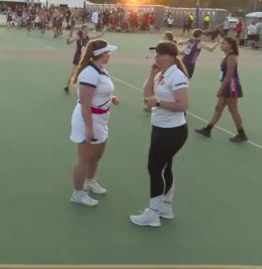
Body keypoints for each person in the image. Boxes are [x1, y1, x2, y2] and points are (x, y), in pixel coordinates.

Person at [130, 42, 190, 227]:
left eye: (160, 54)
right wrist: (151, 74)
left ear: (171, 57)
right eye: (156, 54)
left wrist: (158, 103)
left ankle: (153, 214)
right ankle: (165, 207)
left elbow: (183, 105)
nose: (156, 57)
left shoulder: (177, 76)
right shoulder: (161, 75)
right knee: (165, 168)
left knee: (154, 168)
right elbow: (147, 95)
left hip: (172, 131)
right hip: (160, 127)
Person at [69, 39, 120, 207]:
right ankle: (77, 193)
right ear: (100, 55)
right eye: (108, 52)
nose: (110, 55)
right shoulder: (90, 73)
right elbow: (85, 102)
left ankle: (89, 182)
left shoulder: (101, 70)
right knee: (85, 159)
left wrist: (110, 98)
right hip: (88, 119)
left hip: (101, 119)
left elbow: (98, 92)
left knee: (96, 156)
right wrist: (89, 128)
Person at [195, 37, 248, 143]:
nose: (221, 45)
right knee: (218, 107)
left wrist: (221, 88)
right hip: (227, 84)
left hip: (231, 85)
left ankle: (241, 134)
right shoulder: (227, 57)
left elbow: (229, 75)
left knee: (233, 110)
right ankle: (208, 129)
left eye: (224, 43)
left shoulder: (231, 57)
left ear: (230, 46)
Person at [64, 25, 106, 94]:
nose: (86, 31)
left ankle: (86, 87)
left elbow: (97, 37)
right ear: (82, 30)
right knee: (73, 73)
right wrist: (68, 40)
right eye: (85, 30)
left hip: (85, 58)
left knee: (86, 72)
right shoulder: (78, 37)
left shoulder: (87, 38)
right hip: (77, 57)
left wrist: (103, 31)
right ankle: (67, 86)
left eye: (87, 30)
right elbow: (68, 42)